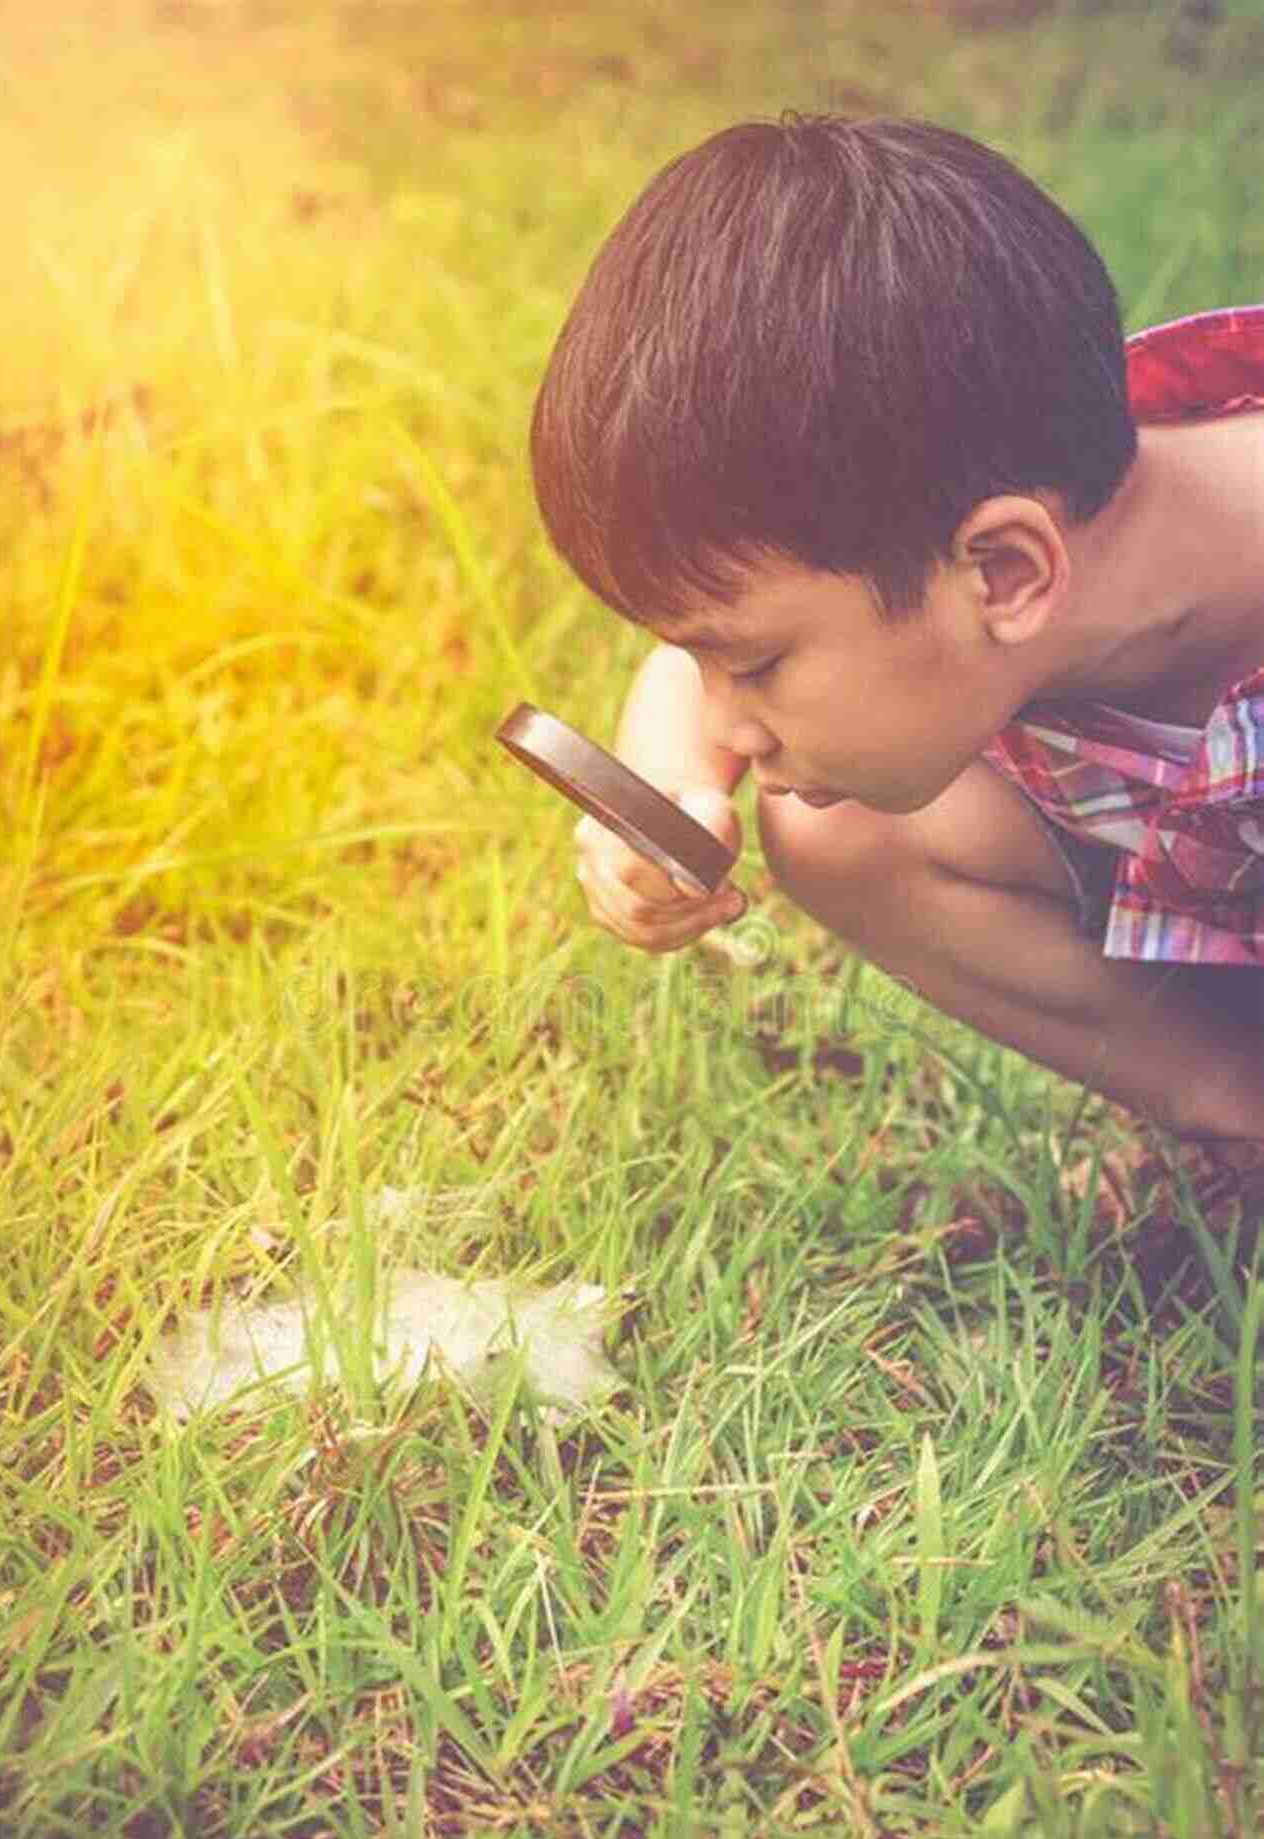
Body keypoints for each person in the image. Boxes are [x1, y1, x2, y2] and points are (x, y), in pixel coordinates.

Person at [529, 114, 1264, 1142]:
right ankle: (1231, 1106)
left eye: (754, 665)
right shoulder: (997, 494)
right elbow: (688, 673)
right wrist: (670, 792)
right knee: (836, 825)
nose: (729, 724)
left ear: (1005, 571)